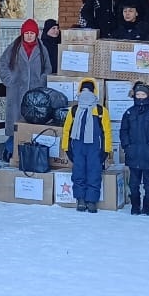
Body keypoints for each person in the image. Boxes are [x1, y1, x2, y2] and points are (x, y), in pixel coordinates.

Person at [0, 18, 53, 161]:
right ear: (22, 33)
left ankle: (26, 154)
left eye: (32, 33)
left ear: (36, 34)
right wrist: (10, 80)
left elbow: (48, 68)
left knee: (31, 126)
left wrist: (42, 80)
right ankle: (9, 151)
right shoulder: (14, 47)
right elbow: (2, 64)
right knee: (15, 126)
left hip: (35, 95)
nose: (29, 35)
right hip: (16, 93)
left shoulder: (41, 48)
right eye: (27, 33)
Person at [61, 79, 112, 213]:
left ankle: (92, 200)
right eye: (83, 91)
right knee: (78, 173)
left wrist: (106, 150)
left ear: (94, 92)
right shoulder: (74, 110)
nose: (86, 93)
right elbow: (66, 130)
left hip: (95, 148)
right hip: (78, 147)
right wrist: (66, 148)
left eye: (89, 91)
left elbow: (107, 131)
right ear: (79, 92)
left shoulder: (101, 111)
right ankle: (80, 199)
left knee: (94, 173)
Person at [119, 82, 149, 215]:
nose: (140, 97)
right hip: (133, 155)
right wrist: (127, 146)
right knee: (133, 184)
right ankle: (135, 206)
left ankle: (148, 207)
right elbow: (123, 131)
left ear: (148, 95)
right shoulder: (129, 113)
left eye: (143, 94)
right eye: (138, 94)